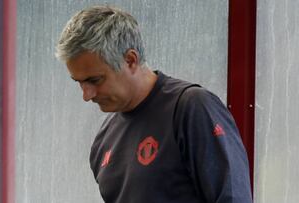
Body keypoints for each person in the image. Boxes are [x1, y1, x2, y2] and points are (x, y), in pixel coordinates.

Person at [56, 5, 252, 203]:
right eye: (79, 82)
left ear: (131, 60)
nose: (86, 95)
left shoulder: (191, 107)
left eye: (95, 80)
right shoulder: (104, 139)